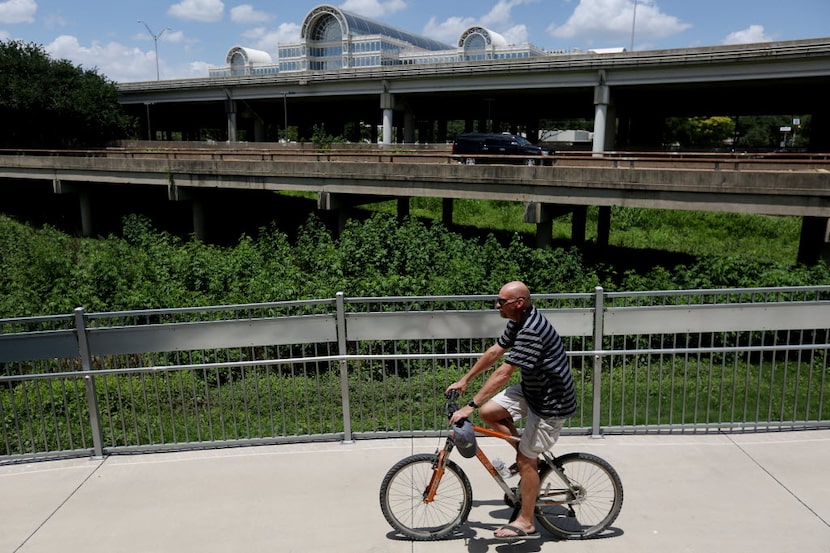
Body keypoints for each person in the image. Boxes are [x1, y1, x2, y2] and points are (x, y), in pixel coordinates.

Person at [447, 280, 576, 540]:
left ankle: (527, 521)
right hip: (532, 391)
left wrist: (470, 406)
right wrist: (465, 379)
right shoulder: (518, 321)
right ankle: (528, 459)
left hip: (551, 403)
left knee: (525, 461)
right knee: (490, 412)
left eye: (501, 301)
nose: (497, 305)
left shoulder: (531, 330)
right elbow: (495, 352)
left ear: (518, 303)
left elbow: (504, 372)